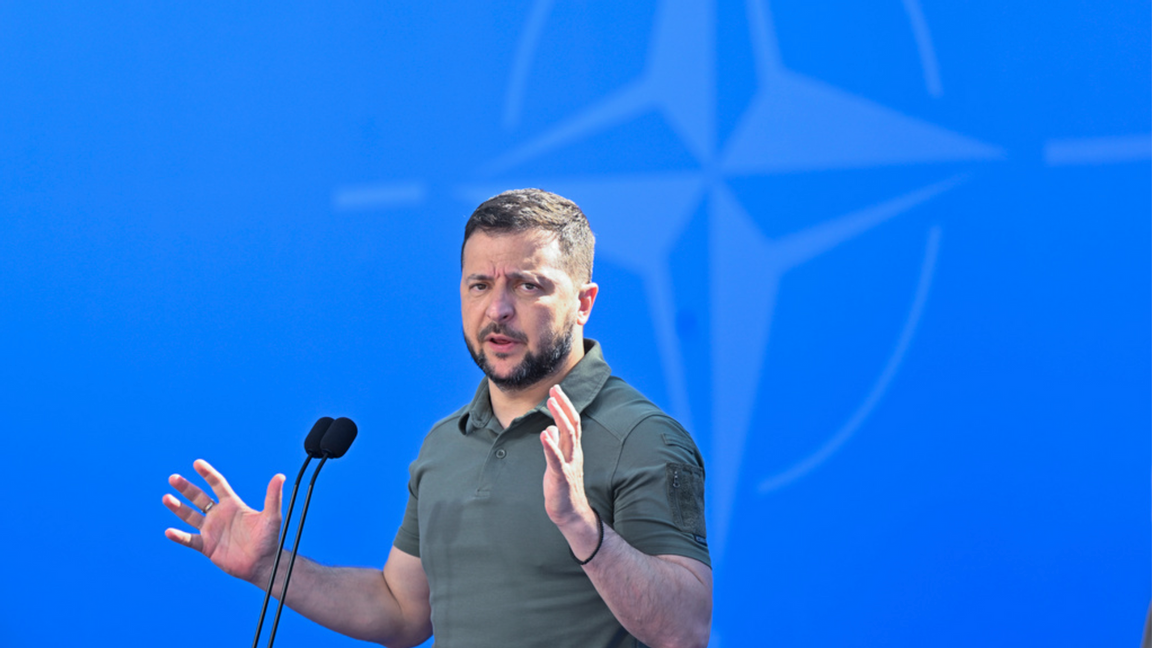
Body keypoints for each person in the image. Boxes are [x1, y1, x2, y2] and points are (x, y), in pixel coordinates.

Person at [163, 189, 712, 648]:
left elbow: (685, 630)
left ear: (583, 302)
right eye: (480, 285)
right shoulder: (446, 444)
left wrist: (581, 528)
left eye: (527, 284)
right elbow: (402, 610)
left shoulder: (641, 437)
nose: (497, 309)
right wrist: (270, 567)